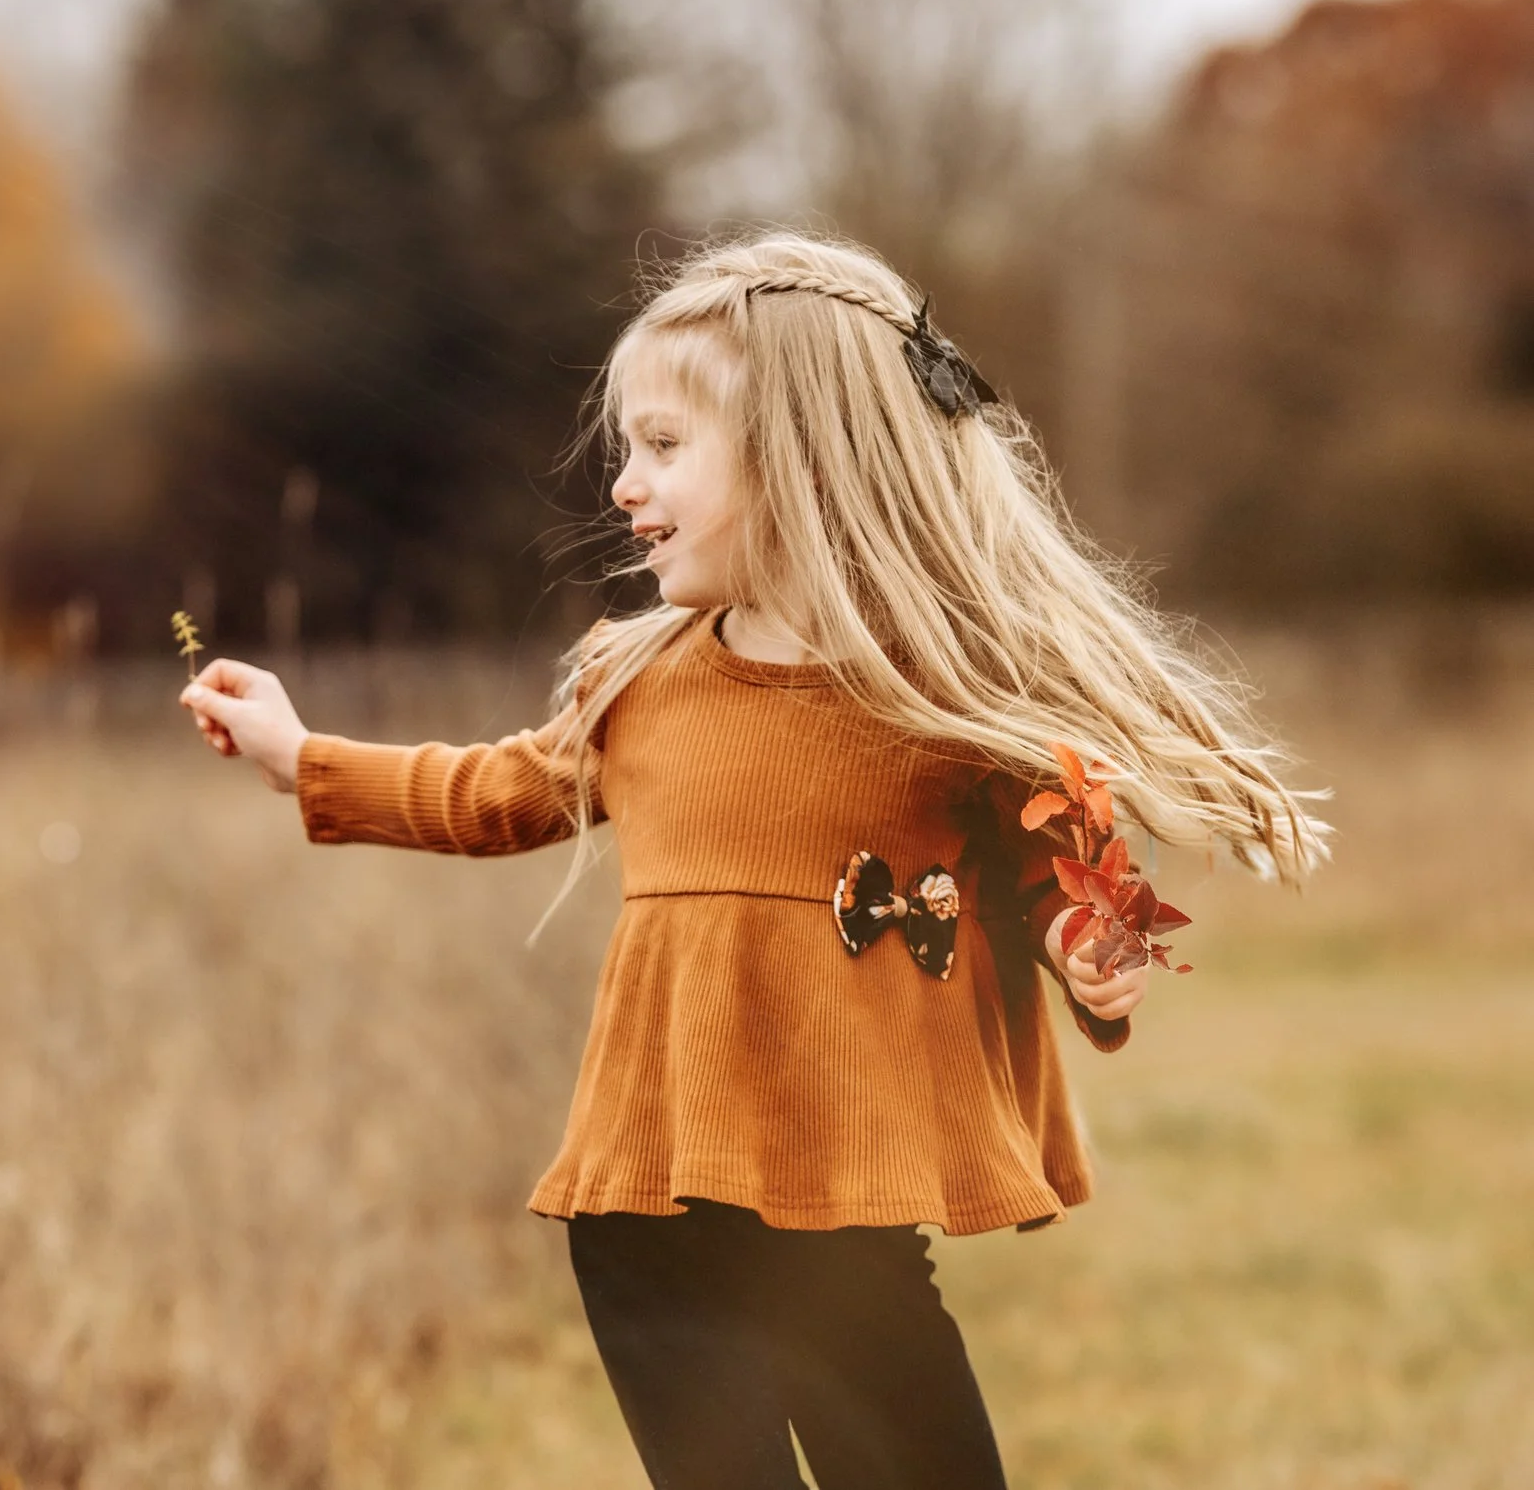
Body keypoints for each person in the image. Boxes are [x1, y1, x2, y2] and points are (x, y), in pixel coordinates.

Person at [177, 232, 1327, 1490]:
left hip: (847, 1216)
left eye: (665, 447)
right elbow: (497, 790)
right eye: (629, 447)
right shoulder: (640, 676)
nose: (624, 483)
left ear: (805, 458)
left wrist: (1084, 949)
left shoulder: (936, 689)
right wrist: (304, 756)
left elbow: (1047, 858)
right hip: (647, 1220)